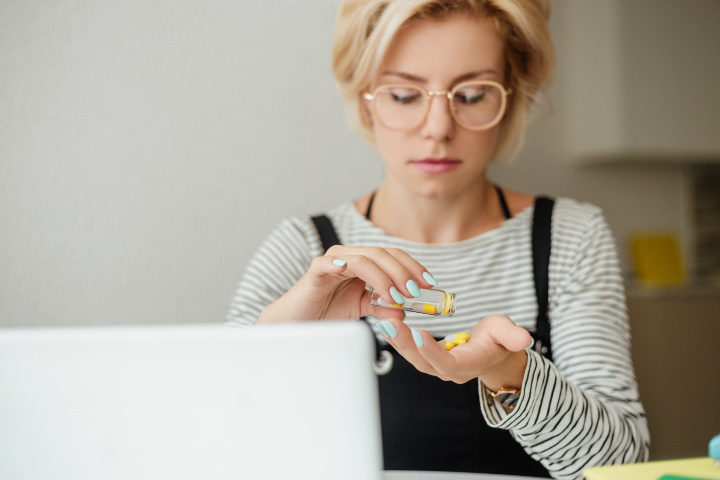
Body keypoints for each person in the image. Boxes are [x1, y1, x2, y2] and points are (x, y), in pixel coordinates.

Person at [226, 1, 650, 479]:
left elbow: (621, 465)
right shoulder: (303, 248)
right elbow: (213, 438)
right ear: (366, 98)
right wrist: (274, 344)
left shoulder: (571, 237)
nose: (438, 128)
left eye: (471, 95)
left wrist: (512, 373)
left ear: (511, 97)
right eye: (405, 95)